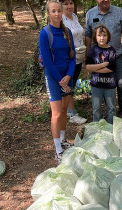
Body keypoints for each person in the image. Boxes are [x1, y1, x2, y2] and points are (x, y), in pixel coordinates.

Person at [39, 0, 76, 163]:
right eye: (53, 11)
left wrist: (68, 76)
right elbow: (47, 60)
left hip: (67, 76)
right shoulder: (45, 33)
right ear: (48, 14)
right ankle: (58, 150)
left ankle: (62, 139)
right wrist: (61, 81)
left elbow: (73, 57)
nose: (57, 14)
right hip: (54, 78)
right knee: (57, 113)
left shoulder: (67, 31)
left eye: (59, 11)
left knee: (64, 108)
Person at [85, 0, 122, 118]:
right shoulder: (90, 14)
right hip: (98, 58)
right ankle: (108, 110)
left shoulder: (118, 11)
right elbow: (88, 35)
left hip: (116, 55)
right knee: (102, 83)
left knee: (120, 83)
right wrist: (87, 54)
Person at [60, 0, 87, 125]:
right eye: (66, 4)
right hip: (68, 58)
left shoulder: (75, 17)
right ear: (61, 5)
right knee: (68, 84)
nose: (69, 6)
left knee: (73, 83)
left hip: (79, 56)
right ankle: (72, 114)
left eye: (71, 3)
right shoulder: (60, 20)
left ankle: (66, 109)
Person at [86, 25, 117, 124]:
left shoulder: (111, 50)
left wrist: (95, 68)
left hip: (110, 85)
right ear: (95, 37)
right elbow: (88, 67)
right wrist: (103, 64)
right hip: (96, 85)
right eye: (99, 35)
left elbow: (111, 68)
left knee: (111, 108)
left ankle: (112, 128)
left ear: (108, 37)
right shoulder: (93, 50)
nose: (102, 38)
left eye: (104, 35)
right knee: (96, 109)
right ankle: (96, 129)